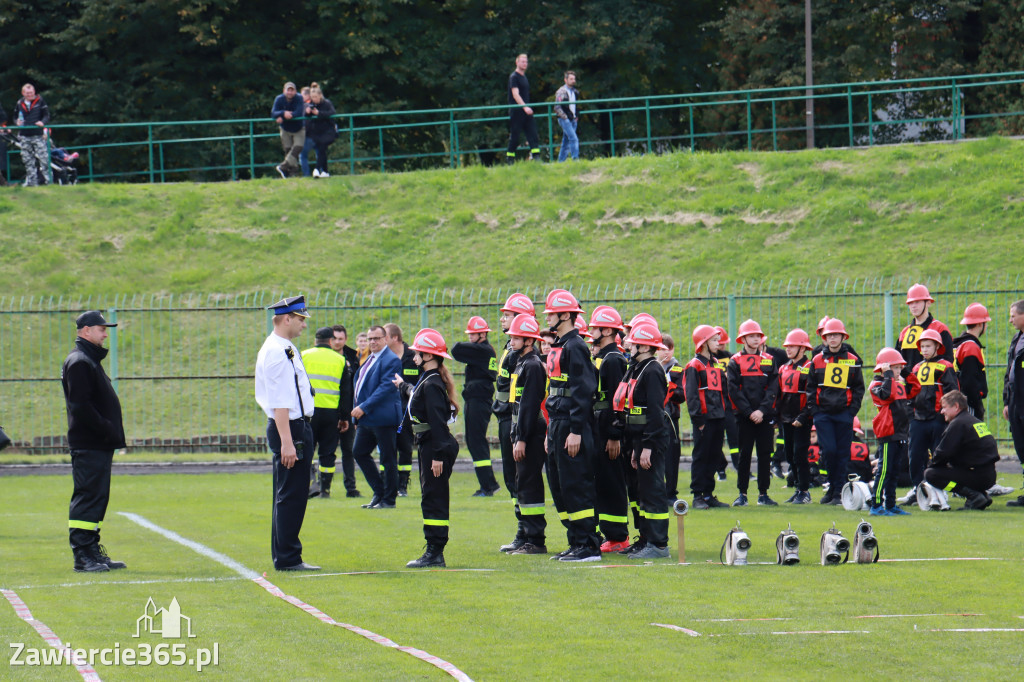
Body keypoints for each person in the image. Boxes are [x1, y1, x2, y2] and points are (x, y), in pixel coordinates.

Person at [254, 296, 319, 571]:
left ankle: (286, 555)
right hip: (290, 427)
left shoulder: (285, 347)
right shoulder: (277, 351)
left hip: (296, 426)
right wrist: (287, 442)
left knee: (290, 494)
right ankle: (288, 558)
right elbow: (281, 401)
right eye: (301, 319)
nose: (304, 324)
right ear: (287, 318)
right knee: (290, 495)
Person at [61, 310, 126, 573]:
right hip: (90, 441)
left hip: (97, 441)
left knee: (97, 497)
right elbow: (81, 406)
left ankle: (92, 550)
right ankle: (82, 555)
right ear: (85, 331)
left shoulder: (88, 359)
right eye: (101, 328)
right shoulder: (80, 361)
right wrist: (106, 428)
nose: (104, 333)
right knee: (88, 496)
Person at [392, 329, 461, 567]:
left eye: (418, 353)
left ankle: (435, 552)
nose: (414, 357)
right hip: (429, 445)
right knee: (430, 496)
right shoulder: (428, 380)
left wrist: (439, 456)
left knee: (435, 497)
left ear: (429, 356)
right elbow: (415, 395)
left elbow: (437, 422)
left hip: (435, 446)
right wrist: (403, 386)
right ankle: (433, 550)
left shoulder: (431, 384)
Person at [543, 289, 601, 561]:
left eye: (552, 314)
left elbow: (582, 391)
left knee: (576, 484)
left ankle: (588, 545)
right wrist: (550, 428)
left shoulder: (576, 346)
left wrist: (576, 430)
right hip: (558, 423)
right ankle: (576, 541)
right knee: (561, 485)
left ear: (565, 315)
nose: (548, 318)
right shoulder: (562, 345)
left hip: (571, 425)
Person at [613, 322, 672, 559]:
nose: (627, 344)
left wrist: (647, 446)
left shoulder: (653, 370)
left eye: (632, 341)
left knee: (653, 491)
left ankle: (659, 545)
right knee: (640, 492)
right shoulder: (637, 367)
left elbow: (656, 413)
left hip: (650, 441)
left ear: (644, 345)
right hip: (637, 440)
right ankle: (646, 539)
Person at [806, 317, 864, 505]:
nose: (832, 339)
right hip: (823, 414)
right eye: (829, 335)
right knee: (829, 450)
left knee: (842, 453)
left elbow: (858, 388)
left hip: (844, 413)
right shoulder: (817, 360)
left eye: (836, 335)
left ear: (842, 337)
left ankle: (838, 490)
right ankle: (832, 486)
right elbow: (811, 386)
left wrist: (851, 411)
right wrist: (815, 410)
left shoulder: (852, 360)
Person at [495, 292, 536, 552]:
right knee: (511, 478)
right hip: (505, 419)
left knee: (521, 478)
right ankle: (521, 530)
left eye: (507, 315)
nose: (502, 319)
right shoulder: (510, 349)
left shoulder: (526, 356)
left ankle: (527, 532)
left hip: (516, 420)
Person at [506, 314, 549, 554]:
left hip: (530, 431)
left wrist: (521, 438)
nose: (512, 341)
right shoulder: (521, 362)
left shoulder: (532, 366)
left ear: (528, 341)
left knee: (530, 483)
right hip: (522, 430)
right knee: (523, 483)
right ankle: (527, 537)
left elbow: (529, 406)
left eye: (516, 337)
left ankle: (536, 540)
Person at [589, 306, 630, 552]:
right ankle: (611, 535)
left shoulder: (613, 359)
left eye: (594, 327)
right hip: (599, 431)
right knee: (602, 484)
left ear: (605, 330)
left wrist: (615, 436)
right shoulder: (602, 357)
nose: (591, 331)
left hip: (608, 435)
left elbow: (619, 402)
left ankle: (619, 538)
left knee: (612, 484)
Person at [727, 319, 780, 506]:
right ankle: (742, 493)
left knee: (766, 454)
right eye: (752, 336)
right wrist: (750, 412)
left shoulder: (769, 360)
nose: (756, 339)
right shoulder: (735, 361)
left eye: (758, 335)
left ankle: (763, 494)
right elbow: (733, 390)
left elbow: (773, 387)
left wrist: (762, 411)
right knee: (744, 455)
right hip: (744, 417)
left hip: (764, 416)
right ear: (743, 339)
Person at [903, 328, 958, 504]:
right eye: (923, 346)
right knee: (915, 455)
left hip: (937, 418)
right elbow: (911, 391)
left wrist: (946, 414)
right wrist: (911, 411)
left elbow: (952, 392)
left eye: (928, 346)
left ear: (938, 347)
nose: (925, 349)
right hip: (918, 418)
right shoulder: (917, 367)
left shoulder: (946, 366)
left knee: (938, 455)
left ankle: (937, 487)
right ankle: (917, 487)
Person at [351, 325, 403, 509]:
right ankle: (379, 493)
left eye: (377, 338)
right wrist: (356, 415)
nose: (372, 342)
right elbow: (359, 387)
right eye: (370, 338)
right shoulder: (369, 359)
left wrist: (363, 408)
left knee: (388, 459)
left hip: (383, 418)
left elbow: (385, 388)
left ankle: (389, 500)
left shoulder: (391, 360)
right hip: (367, 418)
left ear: (385, 339)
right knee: (359, 452)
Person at [450, 315, 501, 496]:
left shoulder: (483, 350)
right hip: (477, 398)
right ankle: (487, 483)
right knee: (474, 440)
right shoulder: (484, 350)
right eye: (470, 335)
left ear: (482, 335)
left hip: (479, 399)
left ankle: (488, 485)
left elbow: (456, 349)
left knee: (476, 441)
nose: (470, 338)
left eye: (473, 335)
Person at [924, 391, 999, 510]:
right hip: (988, 475)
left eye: (944, 408)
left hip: (977, 475)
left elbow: (942, 453)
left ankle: (973, 496)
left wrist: (931, 465)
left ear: (956, 406)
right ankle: (981, 495)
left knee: (931, 474)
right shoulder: (974, 421)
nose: (942, 411)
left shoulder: (958, 424)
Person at [301, 326, 351, 498]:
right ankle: (325, 490)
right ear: (331, 341)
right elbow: (346, 392)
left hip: (308, 413)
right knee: (327, 453)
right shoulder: (340, 360)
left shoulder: (303, 355)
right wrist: (344, 417)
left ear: (316, 340)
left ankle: (308, 484)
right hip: (331, 414)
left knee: (306, 449)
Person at [684, 325, 729, 510]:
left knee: (714, 456)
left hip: (718, 417)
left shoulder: (716, 363)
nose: (718, 343)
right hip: (704, 419)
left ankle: (709, 494)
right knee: (701, 456)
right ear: (703, 343)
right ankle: (697, 495)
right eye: (714, 340)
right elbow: (691, 395)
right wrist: (698, 420)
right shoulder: (694, 365)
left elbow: (722, 391)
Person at [868, 347, 911, 516]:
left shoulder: (896, 384)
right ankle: (876, 504)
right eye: (895, 367)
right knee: (884, 470)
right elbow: (886, 395)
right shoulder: (877, 385)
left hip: (900, 432)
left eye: (900, 367)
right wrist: (888, 376)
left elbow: (914, 390)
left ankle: (891, 504)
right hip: (888, 432)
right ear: (885, 368)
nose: (899, 371)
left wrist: (906, 373)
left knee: (894, 470)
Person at [778, 329, 813, 504]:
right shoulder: (784, 367)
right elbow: (780, 394)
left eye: (793, 346)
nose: (788, 349)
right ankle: (798, 488)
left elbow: (812, 395)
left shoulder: (810, 367)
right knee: (790, 455)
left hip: (801, 419)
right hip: (786, 418)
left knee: (800, 454)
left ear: (803, 349)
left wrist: (804, 416)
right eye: (787, 346)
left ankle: (804, 491)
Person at [386, 323, 421, 496]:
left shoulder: (413, 356)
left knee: (405, 447)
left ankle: (403, 485)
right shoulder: (384, 357)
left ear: (394, 338)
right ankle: (387, 483)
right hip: (388, 409)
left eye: (384, 337)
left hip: (407, 409)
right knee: (387, 446)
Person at [330, 325, 361, 497]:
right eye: (334, 338)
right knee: (327, 451)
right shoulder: (325, 356)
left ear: (345, 339)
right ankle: (323, 487)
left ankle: (351, 488)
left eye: (340, 339)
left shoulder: (352, 356)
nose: (337, 342)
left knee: (349, 450)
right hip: (329, 411)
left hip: (348, 412)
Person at [897, 283, 954, 371]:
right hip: (908, 384)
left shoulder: (940, 329)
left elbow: (948, 361)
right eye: (910, 303)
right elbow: (898, 361)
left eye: (917, 302)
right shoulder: (904, 332)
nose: (913, 306)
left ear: (928, 303)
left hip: (931, 383)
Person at [658, 332, 685, 503]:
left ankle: (671, 492)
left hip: (671, 418)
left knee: (672, 456)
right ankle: (658, 491)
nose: (666, 353)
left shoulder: (677, 369)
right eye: (662, 349)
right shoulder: (651, 367)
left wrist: (669, 386)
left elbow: (681, 395)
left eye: (670, 349)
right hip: (655, 418)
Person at [954, 302, 990, 419]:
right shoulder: (971, 347)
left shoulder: (958, 343)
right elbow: (969, 380)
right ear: (980, 324)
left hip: (954, 400)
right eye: (986, 323)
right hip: (967, 403)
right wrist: (976, 404)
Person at [1005, 300, 1024, 506]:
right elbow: (1009, 371)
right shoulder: (1016, 339)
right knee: (1021, 446)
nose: (1010, 320)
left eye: (1013, 316)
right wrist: (1006, 401)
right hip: (1015, 401)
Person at [506, 53, 540, 164]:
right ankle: (510, 158)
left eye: (526, 62)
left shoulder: (524, 77)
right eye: (522, 61)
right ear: (517, 62)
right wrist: (525, 107)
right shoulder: (514, 77)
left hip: (527, 111)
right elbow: (515, 94)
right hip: (517, 111)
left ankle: (536, 157)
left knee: (533, 133)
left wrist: (527, 109)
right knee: (515, 135)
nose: (525, 64)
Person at [15, 83, 50, 186]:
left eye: (31, 92)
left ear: (34, 92)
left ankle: (49, 182)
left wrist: (42, 122)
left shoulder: (40, 101)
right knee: (28, 161)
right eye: (27, 93)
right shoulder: (19, 103)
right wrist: (17, 122)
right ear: (23, 93)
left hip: (38, 135)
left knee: (44, 159)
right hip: (24, 136)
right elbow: (15, 116)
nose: (30, 95)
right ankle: (33, 184)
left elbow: (47, 115)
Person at [270, 82, 305, 178]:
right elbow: (273, 113)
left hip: (298, 128)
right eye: (288, 90)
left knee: (298, 147)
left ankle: (283, 166)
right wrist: (283, 113)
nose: (290, 92)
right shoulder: (279, 99)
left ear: (295, 91)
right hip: (285, 128)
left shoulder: (299, 98)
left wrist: (286, 116)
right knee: (288, 150)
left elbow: (299, 112)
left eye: (292, 90)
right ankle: (292, 173)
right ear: (284, 91)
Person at [305, 83, 337, 178]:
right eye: (312, 97)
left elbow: (332, 112)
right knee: (321, 151)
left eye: (315, 97)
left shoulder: (327, 103)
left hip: (328, 131)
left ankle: (316, 169)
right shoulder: (311, 104)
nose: (314, 99)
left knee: (322, 147)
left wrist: (319, 113)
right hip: (317, 132)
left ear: (320, 95)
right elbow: (307, 116)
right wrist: (307, 113)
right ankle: (325, 172)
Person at [555, 71, 580, 162]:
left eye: (574, 79)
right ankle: (575, 159)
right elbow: (557, 106)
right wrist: (564, 117)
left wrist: (576, 116)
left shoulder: (575, 92)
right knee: (573, 138)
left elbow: (576, 105)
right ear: (565, 80)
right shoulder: (561, 91)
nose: (573, 81)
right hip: (564, 119)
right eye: (571, 79)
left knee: (566, 141)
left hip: (573, 118)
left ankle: (560, 161)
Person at [298, 86, 314, 177]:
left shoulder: (306, 106)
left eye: (302, 94)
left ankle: (306, 174)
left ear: (308, 95)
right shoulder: (316, 104)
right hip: (312, 134)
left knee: (303, 155)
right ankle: (321, 172)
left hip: (308, 134)